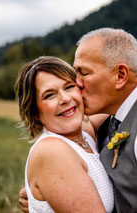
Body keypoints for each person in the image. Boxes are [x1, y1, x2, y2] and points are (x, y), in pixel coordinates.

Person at [19, 28, 137, 212]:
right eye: (49, 95)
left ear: (120, 75)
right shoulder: (103, 120)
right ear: (34, 111)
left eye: (82, 74)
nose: (77, 85)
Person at [15, 56, 114, 212]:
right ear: (35, 112)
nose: (65, 99)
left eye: (69, 87)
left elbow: (119, 100)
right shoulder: (52, 152)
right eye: (49, 95)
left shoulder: (84, 133)